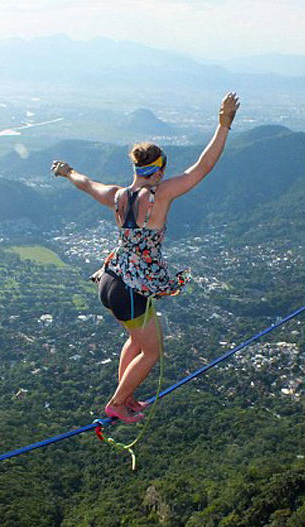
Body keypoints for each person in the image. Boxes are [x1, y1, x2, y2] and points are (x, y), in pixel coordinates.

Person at [51, 92, 240, 423]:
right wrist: (223, 124)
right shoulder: (161, 194)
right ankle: (118, 402)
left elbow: (86, 183)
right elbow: (204, 166)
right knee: (152, 351)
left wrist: (67, 171)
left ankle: (127, 394)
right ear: (159, 170)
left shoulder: (116, 195)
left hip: (110, 279)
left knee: (136, 342)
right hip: (132, 289)